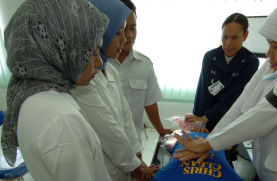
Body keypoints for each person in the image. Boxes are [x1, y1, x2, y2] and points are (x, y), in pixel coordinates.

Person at [173, 0, 277, 180]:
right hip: (265, 169)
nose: (269, 54)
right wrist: (212, 139)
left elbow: (267, 112)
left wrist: (211, 143)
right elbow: (243, 103)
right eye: (269, 43)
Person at [1, 0, 111, 180]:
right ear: (60, 49)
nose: (99, 63)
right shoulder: (60, 120)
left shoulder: (31, 95)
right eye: (91, 52)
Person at [71, 0, 157, 180]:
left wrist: (137, 154)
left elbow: (126, 116)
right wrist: (136, 166)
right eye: (118, 32)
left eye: (130, 29)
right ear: (100, 32)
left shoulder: (109, 69)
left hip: (124, 166)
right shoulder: (82, 78)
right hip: (102, 169)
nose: (125, 38)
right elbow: (108, 130)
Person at [109, 0, 172, 142]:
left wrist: (161, 131)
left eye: (133, 27)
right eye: (123, 28)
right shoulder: (99, 64)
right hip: (105, 146)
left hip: (133, 143)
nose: (129, 35)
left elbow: (149, 103)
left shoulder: (144, 64)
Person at [186, 13, 259, 133]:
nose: (227, 43)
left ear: (245, 36)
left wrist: (206, 117)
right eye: (224, 37)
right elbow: (203, 92)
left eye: (234, 37)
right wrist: (199, 120)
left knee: (224, 150)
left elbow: (234, 96)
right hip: (205, 120)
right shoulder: (210, 57)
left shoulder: (250, 62)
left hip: (230, 121)